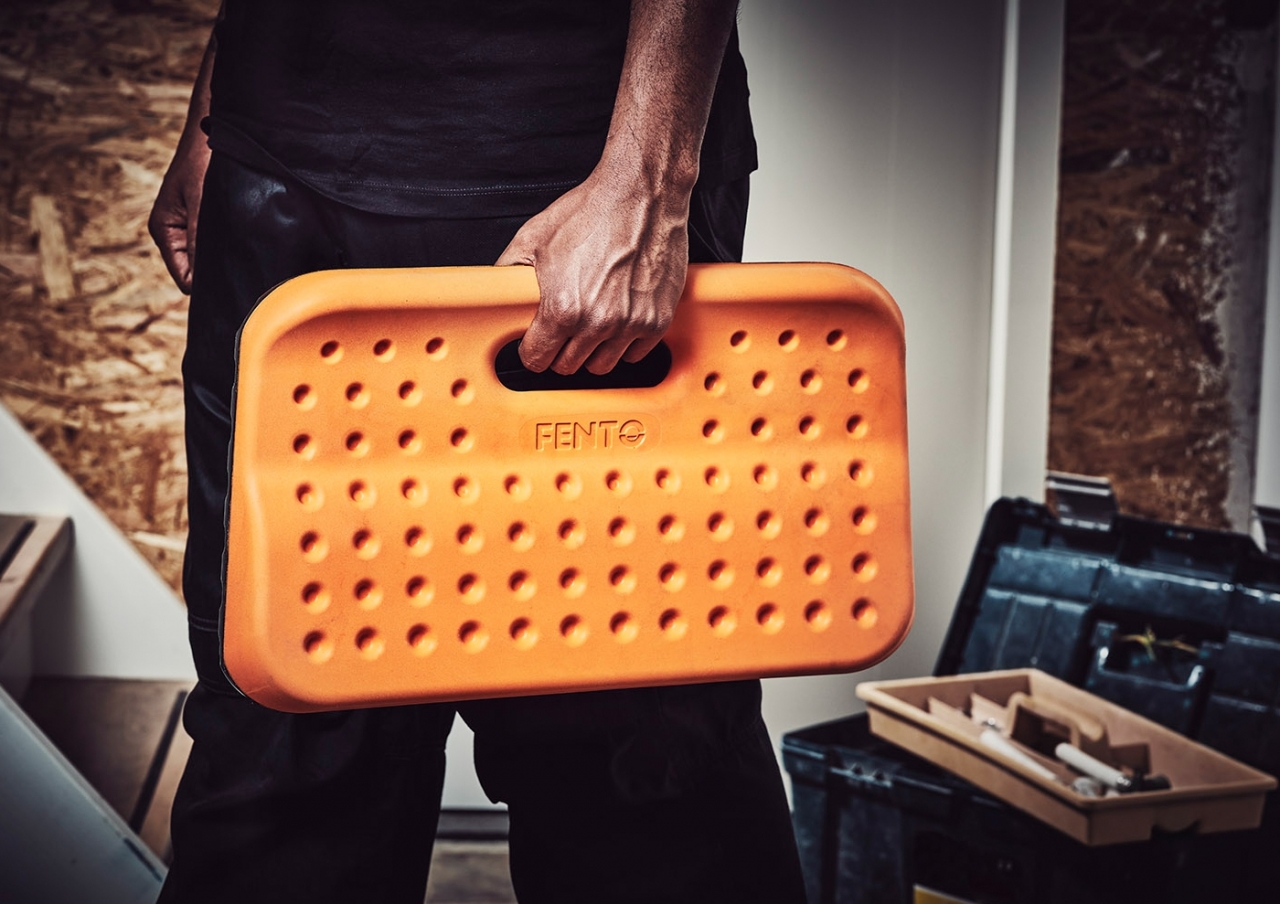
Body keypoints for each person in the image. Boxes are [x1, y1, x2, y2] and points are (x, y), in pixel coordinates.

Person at [149, 2, 807, 902]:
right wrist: (214, 104)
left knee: (639, 751)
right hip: (282, 175)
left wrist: (647, 179)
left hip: (571, 197)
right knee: (284, 730)